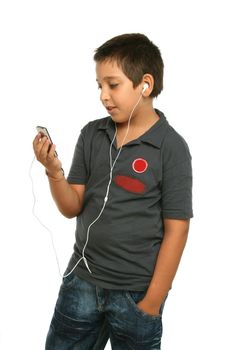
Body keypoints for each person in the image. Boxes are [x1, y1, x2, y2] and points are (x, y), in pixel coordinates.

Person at [33, 33, 193, 350]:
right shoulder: (93, 134)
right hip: (82, 281)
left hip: (136, 294)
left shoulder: (170, 148)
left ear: (145, 85)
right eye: (99, 86)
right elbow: (71, 206)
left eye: (113, 85)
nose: (104, 95)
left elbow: (177, 230)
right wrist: (53, 171)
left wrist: (152, 302)